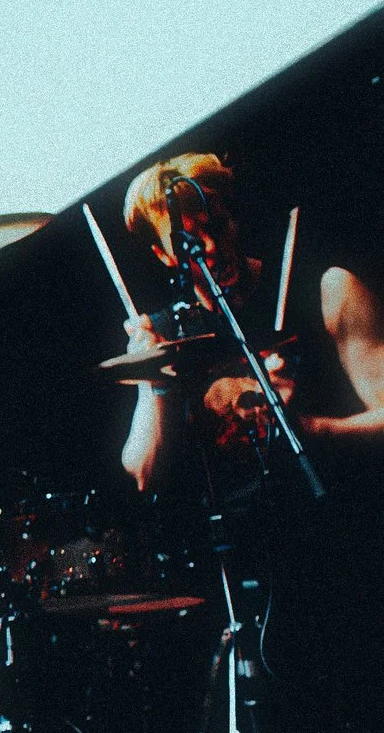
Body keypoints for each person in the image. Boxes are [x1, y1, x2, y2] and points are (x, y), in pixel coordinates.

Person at [117, 153, 384, 494]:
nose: (211, 248)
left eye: (217, 226)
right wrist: (156, 385)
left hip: (343, 507)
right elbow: (145, 474)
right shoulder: (164, 335)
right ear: (165, 256)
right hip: (242, 539)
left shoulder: (326, 291)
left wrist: (313, 430)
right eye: (190, 245)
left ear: (235, 219)